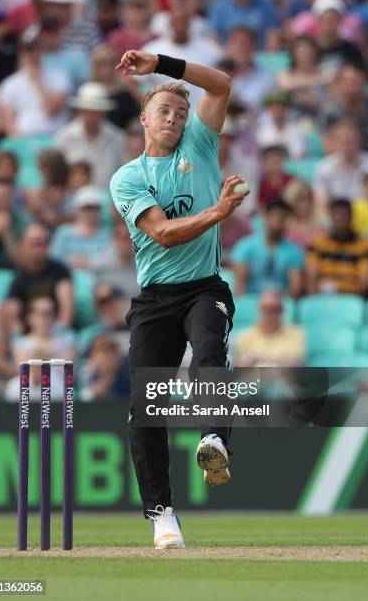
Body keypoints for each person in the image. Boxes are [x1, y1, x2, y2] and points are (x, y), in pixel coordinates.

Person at [111, 48, 247, 548]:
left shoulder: (201, 146)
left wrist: (163, 64)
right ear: (144, 119)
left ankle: (215, 439)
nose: (174, 119)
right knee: (145, 406)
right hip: (155, 298)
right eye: (165, 111)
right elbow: (165, 234)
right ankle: (162, 513)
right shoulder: (127, 177)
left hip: (204, 287)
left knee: (209, 350)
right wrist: (220, 211)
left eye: (181, 113)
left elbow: (221, 84)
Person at [141, 11, 223, 110]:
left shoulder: (211, 49)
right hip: (164, 114)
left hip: (202, 113)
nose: (180, 26)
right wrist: (148, 104)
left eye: (184, 22)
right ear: (170, 24)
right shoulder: (152, 49)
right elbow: (134, 80)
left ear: (191, 24)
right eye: (177, 22)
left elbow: (223, 76)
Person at [0, 24, 70, 136]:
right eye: (27, 49)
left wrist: (37, 81)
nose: (32, 53)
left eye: (36, 48)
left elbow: (51, 110)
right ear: (20, 53)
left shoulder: (60, 77)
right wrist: (21, 144)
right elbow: (8, 122)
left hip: (53, 138)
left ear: (42, 50)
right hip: (24, 139)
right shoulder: (9, 83)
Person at [53, 81, 125, 189]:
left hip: (110, 200)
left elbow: (124, 173)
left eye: (96, 111)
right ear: (80, 111)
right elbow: (57, 176)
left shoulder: (117, 137)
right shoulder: (64, 137)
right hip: (74, 200)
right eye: (88, 111)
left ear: (103, 113)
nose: (91, 116)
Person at [313, 118, 368, 223]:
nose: (345, 146)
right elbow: (321, 205)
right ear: (334, 143)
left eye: (349, 141)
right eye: (341, 141)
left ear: (359, 141)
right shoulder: (324, 168)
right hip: (337, 222)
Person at [231, 200, 305, 296]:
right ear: (266, 216)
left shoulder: (294, 251)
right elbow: (240, 285)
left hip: (281, 304)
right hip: (251, 302)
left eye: (284, 217)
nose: (280, 221)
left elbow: (295, 288)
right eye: (277, 215)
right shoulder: (245, 247)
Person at [306, 198, 368, 294]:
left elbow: (364, 278)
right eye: (337, 214)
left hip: (350, 294)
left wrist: (355, 303)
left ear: (351, 216)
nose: (341, 217)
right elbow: (311, 275)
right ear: (331, 217)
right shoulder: (318, 242)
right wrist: (314, 299)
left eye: (345, 213)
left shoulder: (363, 244)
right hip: (323, 293)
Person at [319, 63, 368, 153]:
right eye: (345, 83)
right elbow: (329, 147)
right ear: (337, 85)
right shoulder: (330, 113)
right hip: (347, 161)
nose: (350, 88)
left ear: (364, 83)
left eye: (355, 83)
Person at [235, 290, 306, 366]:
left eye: (275, 309)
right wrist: (279, 360)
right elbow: (241, 365)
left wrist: (257, 359)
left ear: (282, 310)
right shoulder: (245, 335)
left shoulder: (296, 333)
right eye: (266, 308)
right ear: (260, 309)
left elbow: (293, 364)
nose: (270, 313)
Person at [50, 185, 111, 271]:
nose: (90, 212)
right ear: (77, 209)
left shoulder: (107, 234)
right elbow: (54, 260)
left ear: (99, 209)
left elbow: (109, 262)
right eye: (86, 208)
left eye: (94, 208)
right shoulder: (63, 233)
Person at [278, 35, 333, 118]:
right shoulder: (286, 73)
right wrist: (318, 80)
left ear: (315, 52)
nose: (304, 54)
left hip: (320, 119)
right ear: (293, 53)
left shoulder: (325, 72)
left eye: (308, 50)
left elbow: (331, 103)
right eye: (300, 51)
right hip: (293, 120)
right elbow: (286, 85)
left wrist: (311, 100)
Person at [222, 25, 276, 110]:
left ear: (253, 47)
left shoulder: (267, 78)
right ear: (228, 46)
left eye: (246, 44)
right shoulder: (215, 73)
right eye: (236, 43)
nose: (241, 48)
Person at [91, 44, 141, 130]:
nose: (105, 70)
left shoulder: (126, 90)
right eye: (100, 64)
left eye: (110, 63)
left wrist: (132, 88)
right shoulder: (87, 90)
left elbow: (142, 109)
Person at [208, 0, 279, 48]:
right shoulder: (221, 6)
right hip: (228, 58)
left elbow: (273, 37)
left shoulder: (266, 6)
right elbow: (214, 38)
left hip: (257, 57)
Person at [89, 220, 139, 297]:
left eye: (128, 238)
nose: (124, 243)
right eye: (120, 238)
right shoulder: (99, 263)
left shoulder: (144, 263)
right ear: (114, 240)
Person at [256, 91, 307, 159]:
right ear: (268, 110)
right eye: (273, 108)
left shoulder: (296, 131)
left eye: (280, 107)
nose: (277, 111)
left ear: (286, 109)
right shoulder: (261, 132)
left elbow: (299, 155)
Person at [79, 333, 130, 401]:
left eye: (112, 352)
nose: (109, 357)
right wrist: (92, 392)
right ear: (93, 356)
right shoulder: (86, 378)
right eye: (103, 353)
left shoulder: (130, 378)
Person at [284, 178, 322, 249]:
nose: (306, 204)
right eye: (301, 199)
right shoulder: (283, 226)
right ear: (292, 201)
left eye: (309, 199)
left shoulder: (319, 228)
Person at [258, 145, 292, 210]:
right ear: (264, 162)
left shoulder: (291, 181)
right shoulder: (261, 186)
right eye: (270, 157)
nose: (274, 160)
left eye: (276, 156)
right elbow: (260, 207)